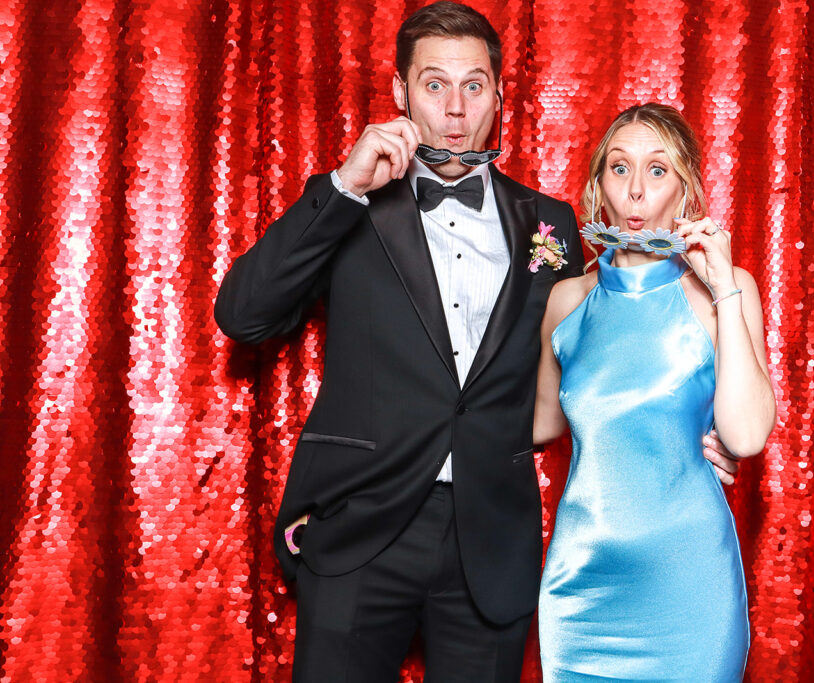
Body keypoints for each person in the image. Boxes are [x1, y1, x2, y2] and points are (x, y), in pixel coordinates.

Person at [216, 3, 740, 679]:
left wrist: (678, 433)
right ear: (402, 93)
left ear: (498, 94)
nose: (455, 111)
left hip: (490, 544)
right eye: (435, 85)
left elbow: (601, 351)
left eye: (474, 86)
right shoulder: (348, 201)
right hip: (361, 533)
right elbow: (243, 316)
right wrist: (346, 187)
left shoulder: (549, 223)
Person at [533, 103, 776, 681]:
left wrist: (722, 289)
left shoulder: (728, 288)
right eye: (620, 168)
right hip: (582, 590)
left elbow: (744, 434)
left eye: (657, 170)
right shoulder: (567, 301)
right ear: (599, 185)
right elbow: (537, 424)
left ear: (685, 187)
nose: (636, 190)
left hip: (690, 584)